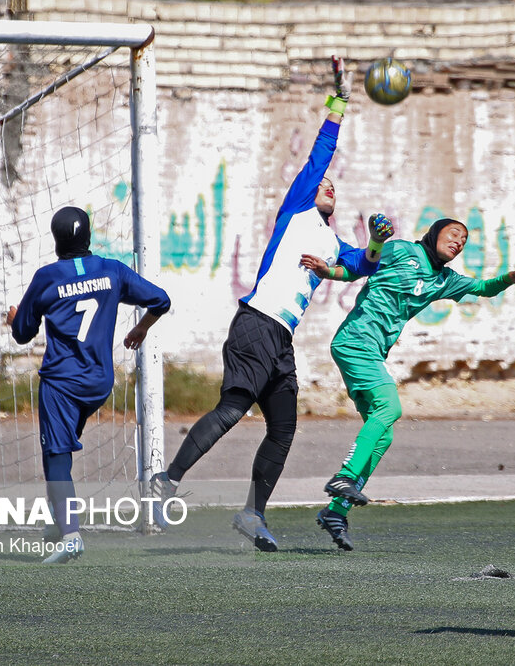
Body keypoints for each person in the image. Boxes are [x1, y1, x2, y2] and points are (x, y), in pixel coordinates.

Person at [149, 56, 394, 552]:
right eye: (325, 183)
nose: (329, 185)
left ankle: (252, 513)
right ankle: (166, 479)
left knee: (283, 430)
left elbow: (364, 264)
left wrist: (376, 243)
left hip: (281, 340)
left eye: (333, 187)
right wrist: (339, 101)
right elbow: (320, 153)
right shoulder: (298, 210)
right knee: (233, 409)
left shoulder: (332, 243)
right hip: (256, 324)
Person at [301, 217, 515, 551]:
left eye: (464, 240)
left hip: (370, 351)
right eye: (453, 233)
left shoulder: (444, 280)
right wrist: (329, 272)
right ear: (435, 232)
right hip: (355, 341)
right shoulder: (402, 250)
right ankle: (344, 477)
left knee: (383, 431)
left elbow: (483, 288)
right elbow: (360, 268)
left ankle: (336, 510)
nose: (458, 241)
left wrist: (509, 278)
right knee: (390, 406)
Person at [7, 205, 171, 564]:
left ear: (56, 241)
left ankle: (70, 535)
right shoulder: (111, 271)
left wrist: (14, 320)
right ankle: (58, 522)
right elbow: (162, 300)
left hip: (63, 383)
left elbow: (23, 334)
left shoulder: (47, 277)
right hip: (98, 383)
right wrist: (141, 328)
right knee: (59, 454)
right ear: (89, 237)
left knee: (56, 456)